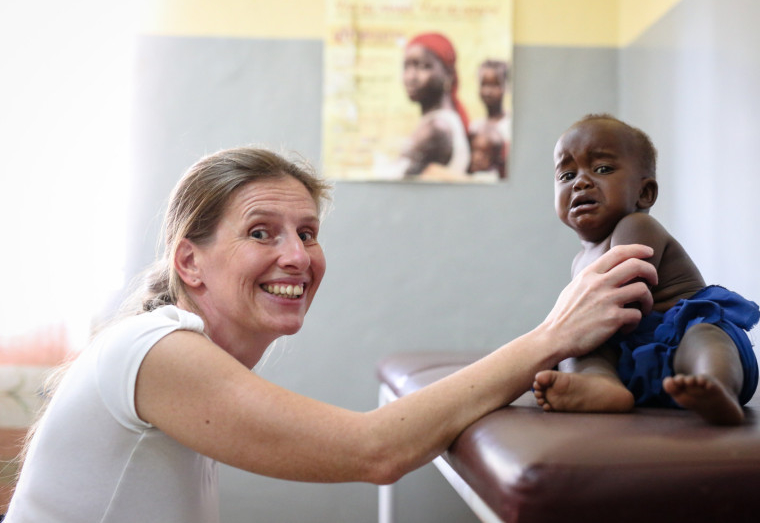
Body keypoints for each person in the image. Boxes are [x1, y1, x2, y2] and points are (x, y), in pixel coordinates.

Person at [6, 146, 658, 522]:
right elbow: (374, 450)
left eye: (308, 233)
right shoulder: (155, 351)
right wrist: (553, 334)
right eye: (261, 232)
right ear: (189, 262)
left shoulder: (177, 352)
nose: (297, 256)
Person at [533, 114, 760, 426]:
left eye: (602, 169)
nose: (580, 182)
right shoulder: (579, 261)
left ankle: (715, 383)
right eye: (567, 174)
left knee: (706, 336)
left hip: (680, 338)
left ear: (645, 193)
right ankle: (600, 384)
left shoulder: (636, 225)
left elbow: (623, 299)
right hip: (634, 363)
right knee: (577, 350)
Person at [398, 32, 471, 178]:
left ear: (448, 74)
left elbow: (395, 179)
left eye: (423, 67)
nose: (411, 77)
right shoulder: (438, 121)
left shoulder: (437, 128)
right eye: (406, 67)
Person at [469, 59, 510, 177]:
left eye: (494, 85)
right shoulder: (475, 126)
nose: (487, 91)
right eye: (484, 84)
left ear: (506, 86)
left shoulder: (509, 125)